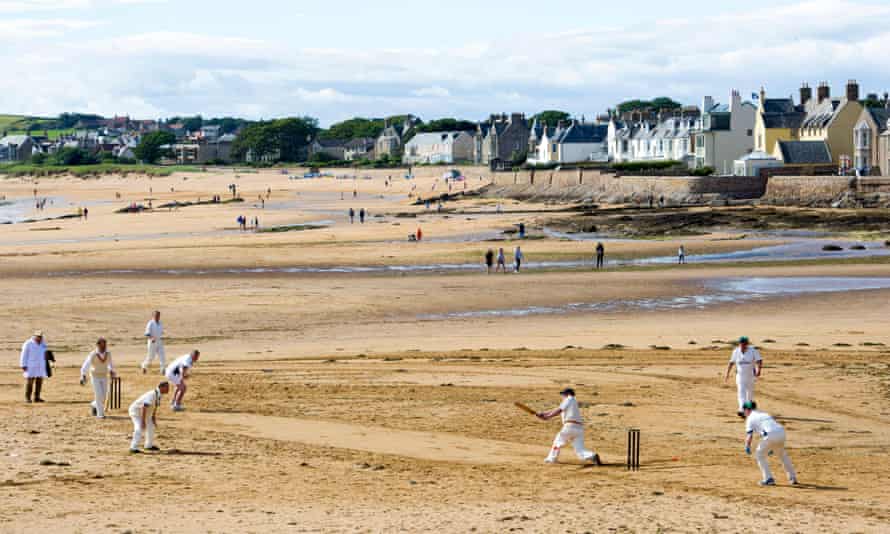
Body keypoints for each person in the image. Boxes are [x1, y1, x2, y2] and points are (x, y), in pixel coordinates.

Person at [537, 388, 601, 465]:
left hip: (569, 426)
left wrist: (548, 417)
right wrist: (544, 413)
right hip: (579, 429)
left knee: (558, 441)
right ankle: (592, 455)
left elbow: (559, 410)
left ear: (567, 394)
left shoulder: (568, 399)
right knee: (580, 450)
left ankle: (551, 459)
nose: (562, 396)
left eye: (563, 394)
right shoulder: (573, 401)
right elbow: (558, 409)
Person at [742, 401, 797, 486]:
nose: (744, 413)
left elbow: (750, 436)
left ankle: (768, 478)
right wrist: (771, 447)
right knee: (782, 455)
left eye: (744, 410)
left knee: (759, 455)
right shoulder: (764, 414)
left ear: (747, 410)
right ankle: (792, 477)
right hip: (781, 432)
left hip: (770, 435)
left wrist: (747, 446)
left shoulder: (750, 418)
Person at [725, 336, 763, 417]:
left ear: (747, 344)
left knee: (749, 394)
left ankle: (748, 410)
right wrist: (727, 373)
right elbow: (731, 362)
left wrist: (759, 370)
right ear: (739, 344)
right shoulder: (736, 351)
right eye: (742, 343)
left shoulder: (753, 351)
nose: (743, 345)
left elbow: (759, 360)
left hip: (751, 376)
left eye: (745, 343)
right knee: (741, 392)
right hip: (740, 376)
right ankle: (742, 409)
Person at [129, 382, 170, 454]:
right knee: (139, 428)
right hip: (136, 412)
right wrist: (143, 421)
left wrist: (153, 417)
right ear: (161, 387)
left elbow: (155, 406)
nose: (168, 389)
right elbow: (144, 407)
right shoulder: (152, 394)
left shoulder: (159, 394)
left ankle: (148, 445)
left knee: (151, 427)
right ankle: (133, 448)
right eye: (167, 387)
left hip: (145, 413)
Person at [80, 338, 116, 419]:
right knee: (98, 395)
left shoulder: (108, 354)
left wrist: (112, 371)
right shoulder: (93, 354)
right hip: (95, 376)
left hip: (104, 376)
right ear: (98, 345)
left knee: (103, 397)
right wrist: (83, 375)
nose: (103, 347)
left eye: (105, 345)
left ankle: (94, 404)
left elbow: (110, 364)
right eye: (102, 345)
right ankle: (100, 414)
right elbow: (86, 365)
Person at [21, 332, 48, 403]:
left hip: (40, 365)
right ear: (34, 336)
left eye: (41, 336)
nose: (40, 338)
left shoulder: (43, 344)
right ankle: (27, 398)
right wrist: (23, 364)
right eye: (38, 336)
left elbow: (45, 354)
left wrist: (47, 363)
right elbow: (24, 354)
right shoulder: (28, 343)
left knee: (39, 382)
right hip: (31, 366)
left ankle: (37, 397)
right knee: (30, 382)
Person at [142, 310, 166, 375]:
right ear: (153, 316)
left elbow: (161, 332)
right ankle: (144, 366)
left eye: (158, 315)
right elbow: (146, 333)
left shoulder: (160, 323)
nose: (158, 317)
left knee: (162, 355)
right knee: (151, 357)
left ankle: (163, 370)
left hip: (159, 341)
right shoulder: (150, 323)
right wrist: (152, 338)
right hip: (152, 342)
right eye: (156, 315)